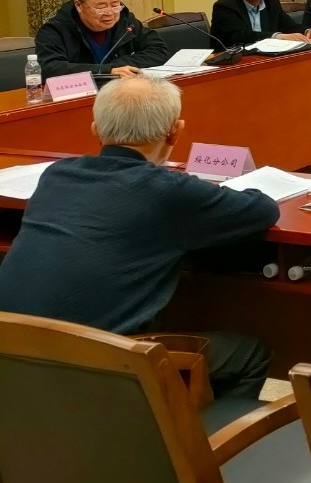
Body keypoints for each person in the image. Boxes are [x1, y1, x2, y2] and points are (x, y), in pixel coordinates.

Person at [0, 77, 279, 398]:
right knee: (250, 353)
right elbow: (263, 210)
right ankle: (186, 430)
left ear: (95, 130)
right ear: (175, 131)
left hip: (13, 355)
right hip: (97, 367)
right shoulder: (167, 191)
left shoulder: (56, 175)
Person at [34, 0, 171, 80]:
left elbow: (159, 50)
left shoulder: (125, 21)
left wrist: (117, 67)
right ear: (79, 5)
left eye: (115, 5)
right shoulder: (55, 30)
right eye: (101, 7)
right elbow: (50, 68)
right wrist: (107, 71)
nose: (110, 13)